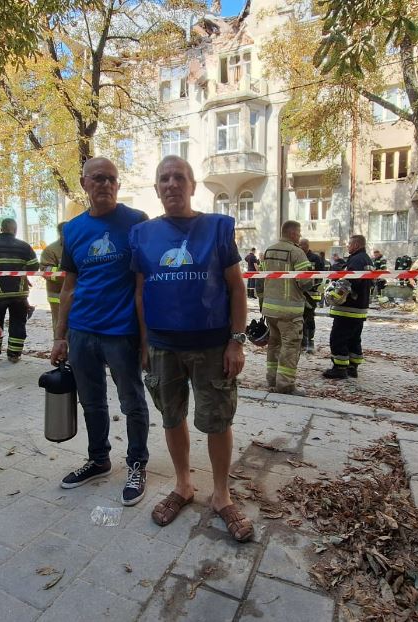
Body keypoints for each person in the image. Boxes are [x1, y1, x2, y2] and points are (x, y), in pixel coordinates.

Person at [131, 155, 252, 542]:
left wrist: (236, 341)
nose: (171, 184)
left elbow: (237, 287)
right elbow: (139, 291)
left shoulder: (216, 228)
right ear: (156, 188)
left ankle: (221, 495)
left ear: (192, 184)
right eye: (164, 178)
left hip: (213, 346)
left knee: (218, 420)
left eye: (179, 177)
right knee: (171, 416)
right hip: (164, 347)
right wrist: (144, 342)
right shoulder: (144, 235)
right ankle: (184, 485)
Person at [50, 157, 150, 507]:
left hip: (121, 332)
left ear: (118, 185)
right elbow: (68, 287)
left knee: (132, 401)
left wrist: (146, 337)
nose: (105, 184)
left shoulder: (136, 222)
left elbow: (143, 284)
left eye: (111, 179)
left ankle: (137, 464)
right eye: (98, 179)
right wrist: (60, 336)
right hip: (81, 331)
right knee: (91, 401)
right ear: (84, 183)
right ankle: (99, 460)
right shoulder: (73, 230)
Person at [260, 224, 314, 393]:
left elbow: (260, 280)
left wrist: (262, 300)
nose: (299, 236)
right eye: (298, 233)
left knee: (274, 344)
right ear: (292, 233)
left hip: (270, 309)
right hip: (289, 311)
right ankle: (285, 385)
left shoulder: (268, 251)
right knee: (290, 346)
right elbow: (305, 282)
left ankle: (271, 379)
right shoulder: (297, 253)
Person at [0, 218, 38, 363]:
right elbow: (34, 267)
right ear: (15, 230)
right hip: (19, 294)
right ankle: (14, 355)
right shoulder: (24, 246)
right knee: (18, 323)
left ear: (1, 229)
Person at [323, 235, 373, 379]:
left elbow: (348, 283)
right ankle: (352, 366)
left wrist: (335, 294)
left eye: (349, 244)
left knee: (338, 337)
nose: (347, 246)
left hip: (348, 308)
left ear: (356, 245)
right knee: (354, 338)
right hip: (360, 307)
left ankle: (339, 368)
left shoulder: (356, 260)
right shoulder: (366, 259)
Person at [298, 238, 324, 354]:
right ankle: (302, 342)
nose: (299, 247)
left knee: (309, 318)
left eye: (300, 245)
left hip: (312, 294)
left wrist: (312, 285)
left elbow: (321, 275)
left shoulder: (315, 258)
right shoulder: (298, 257)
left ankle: (310, 343)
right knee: (299, 318)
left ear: (306, 246)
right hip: (299, 293)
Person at [40, 222, 65, 335]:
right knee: (60, 325)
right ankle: (60, 349)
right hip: (57, 296)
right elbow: (47, 272)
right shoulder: (51, 250)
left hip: (77, 294)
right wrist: (66, 274)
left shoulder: (78, 247)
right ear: (60, 233)